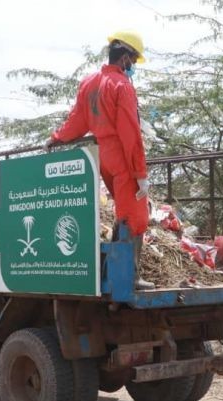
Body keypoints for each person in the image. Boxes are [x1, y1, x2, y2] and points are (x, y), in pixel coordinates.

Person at [46, 31, 154, 290]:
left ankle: (110, 268)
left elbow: (77, 120)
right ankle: (130, 277)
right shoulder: (121, 86)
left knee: (123, 212)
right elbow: (130, 133)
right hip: (120, 155)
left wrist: (57, 138)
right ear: (125, 58)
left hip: (102, 155)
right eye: (135, 61)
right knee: (135, 215)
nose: (134, 66)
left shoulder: (89, 82)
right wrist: (140, 173)